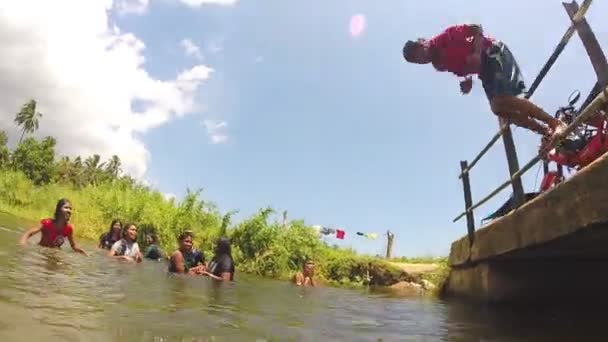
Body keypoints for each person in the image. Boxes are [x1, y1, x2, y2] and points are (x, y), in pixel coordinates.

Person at [402, 24, 567, 143]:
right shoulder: (439, 65)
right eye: (418, 62)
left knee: (501, 99)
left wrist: (475, 52)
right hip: (483, 71)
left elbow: (477, 28)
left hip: (492, 51)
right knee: (498, 109)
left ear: (422, 44)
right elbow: (463, 69)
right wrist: (467, 82)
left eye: (420, 55)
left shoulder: (446, 37)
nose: (423, 60)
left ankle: (555, 123)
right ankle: (546, 132)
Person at [19, 198, 87, 255]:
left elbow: (73, 246)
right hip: (41, 252)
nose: (69, 210)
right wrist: (22, 245)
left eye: (70, 208)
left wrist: (84, 253)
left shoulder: (69, 228)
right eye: (66, 207)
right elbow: (28, 233)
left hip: (54, 253)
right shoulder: (47, 223)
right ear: (58, 210)